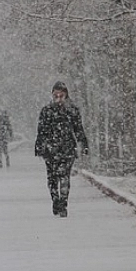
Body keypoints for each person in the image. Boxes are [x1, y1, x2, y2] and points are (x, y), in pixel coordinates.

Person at [34, 81, 89, 217]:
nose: (58, 98)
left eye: (61, 95)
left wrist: (84, 143)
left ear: (66, 96)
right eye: (56, 95)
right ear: (52, 96)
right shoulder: (46, 111)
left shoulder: (72, 110)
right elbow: (41, 130)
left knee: (64, 176)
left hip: (67, 148)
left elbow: (78, 129)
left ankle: (63, 203)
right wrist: (39, 145)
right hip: (50, 149)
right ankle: (55, 199)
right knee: (52, 178)